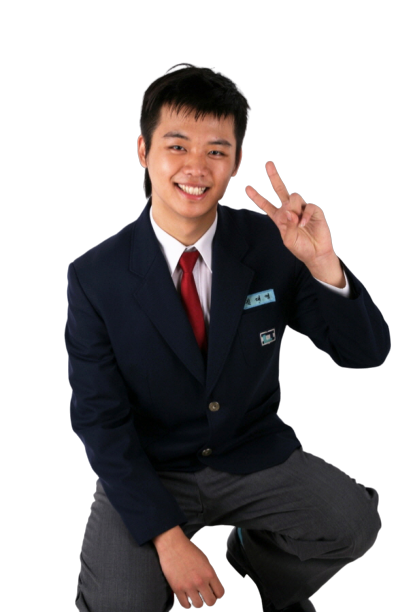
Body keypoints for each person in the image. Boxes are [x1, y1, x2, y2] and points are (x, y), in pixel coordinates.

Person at [65, 63, 391, 611]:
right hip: (151, 468)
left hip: (251, 451)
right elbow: (99, 420)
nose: (196, 167)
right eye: (177, 146)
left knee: (353, 523)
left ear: (236, 162)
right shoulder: (95, 276)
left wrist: (323, 264)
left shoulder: (272, 243)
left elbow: (366, 353)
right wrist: (168, 541)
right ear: (144, 151)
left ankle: (252, 562)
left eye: (216, 150)